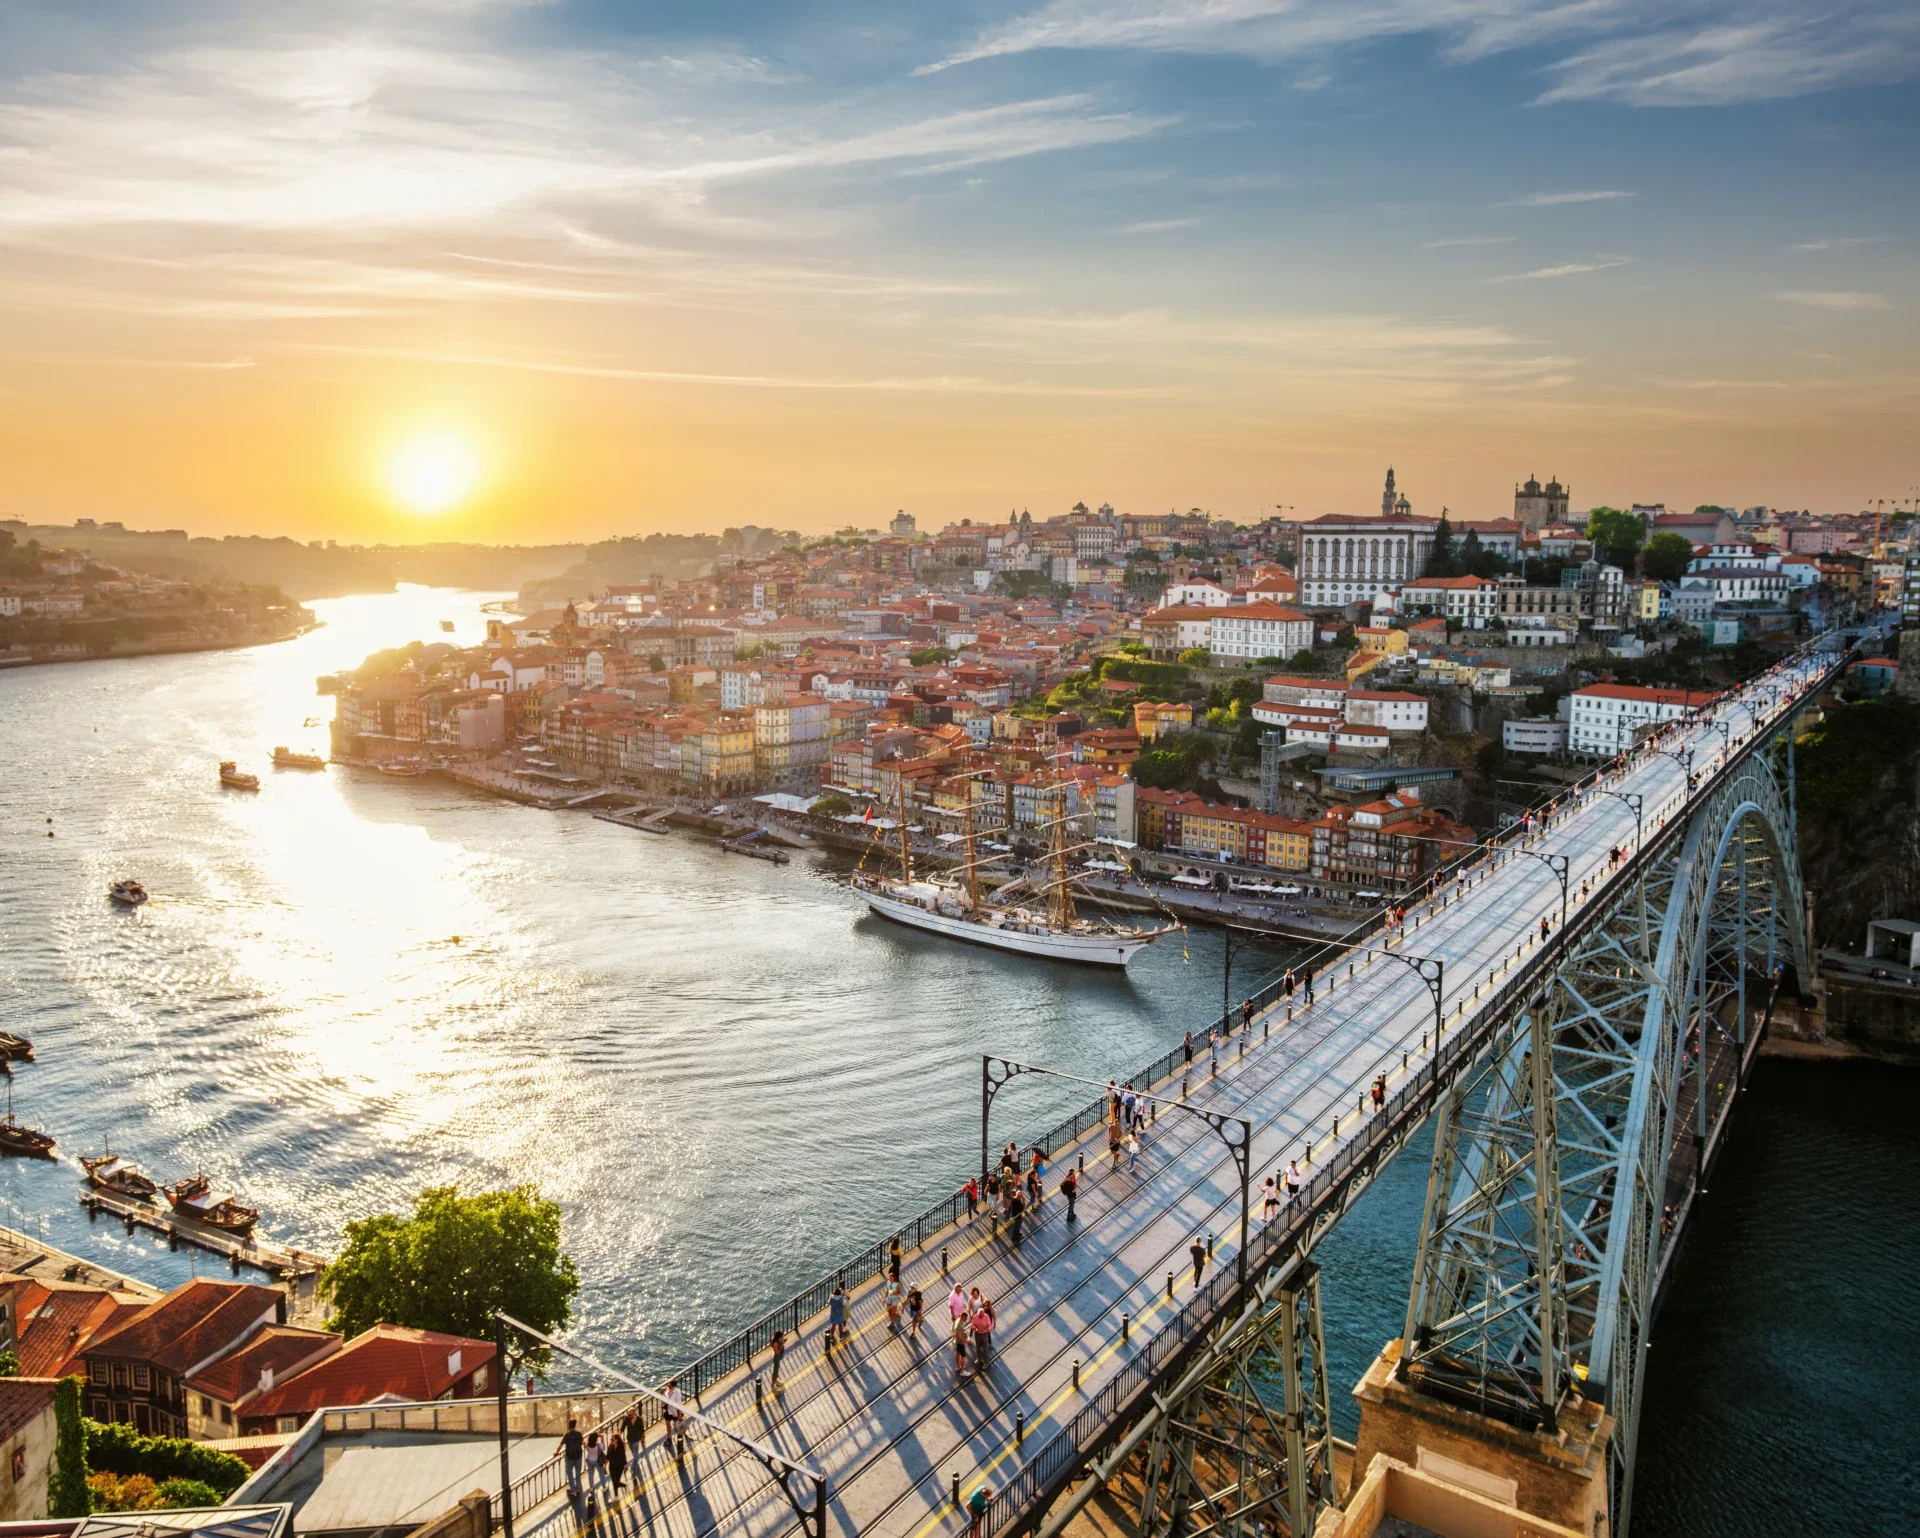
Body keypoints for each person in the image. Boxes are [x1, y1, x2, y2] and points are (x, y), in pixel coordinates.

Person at [662, 1379, 687, 1453]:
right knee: (668, 1425)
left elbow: (679, 1405)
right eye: (668, 1384)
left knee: (678, 1426)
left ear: (673, 1386)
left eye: (669, 1385)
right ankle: (669, 1438)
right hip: (668, 1411)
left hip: (675, 1412)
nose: (667, 1386)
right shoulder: (667, 1390)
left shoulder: (677, 1393)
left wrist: (679, 1415)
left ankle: (681, 1437)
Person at [971, 1297, 994, 1371]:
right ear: (978, 1313)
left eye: (982, 1315)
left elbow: (990, 1326)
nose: (981, 1317)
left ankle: (987, 1362)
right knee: (978, 1347)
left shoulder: (986, 1316)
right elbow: (972, 1325)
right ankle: (979, 1359)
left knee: (985, 1348)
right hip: (977, 1334)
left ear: (984, 1313)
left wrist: (986, 1330)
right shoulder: (975, 1317)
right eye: (979, 1315)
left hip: (984, 1334)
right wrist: (975, 1329)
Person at [563, 1419, 584, 1491]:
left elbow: (560, 1445)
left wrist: (556, 1452)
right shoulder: (579, 1434)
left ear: (569, 1426)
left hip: (569, 1457)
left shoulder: (566, 1435)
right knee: (578, 1472)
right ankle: (578, 1487)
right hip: (578, 1456)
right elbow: (582, 1443)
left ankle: (573, 1488)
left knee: (569, 1472)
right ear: (575, 1426)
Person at [827, 1282, 850, 1347]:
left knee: (833, 1325)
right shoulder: (841, 1299)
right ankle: (841, 1337)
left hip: (833, 1313)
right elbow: (844, 1304)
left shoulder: (831, 1298)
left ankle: (831, 1337)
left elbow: (829, 1302)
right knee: (840, 1325)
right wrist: (844, 1298)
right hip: (839, 1313)